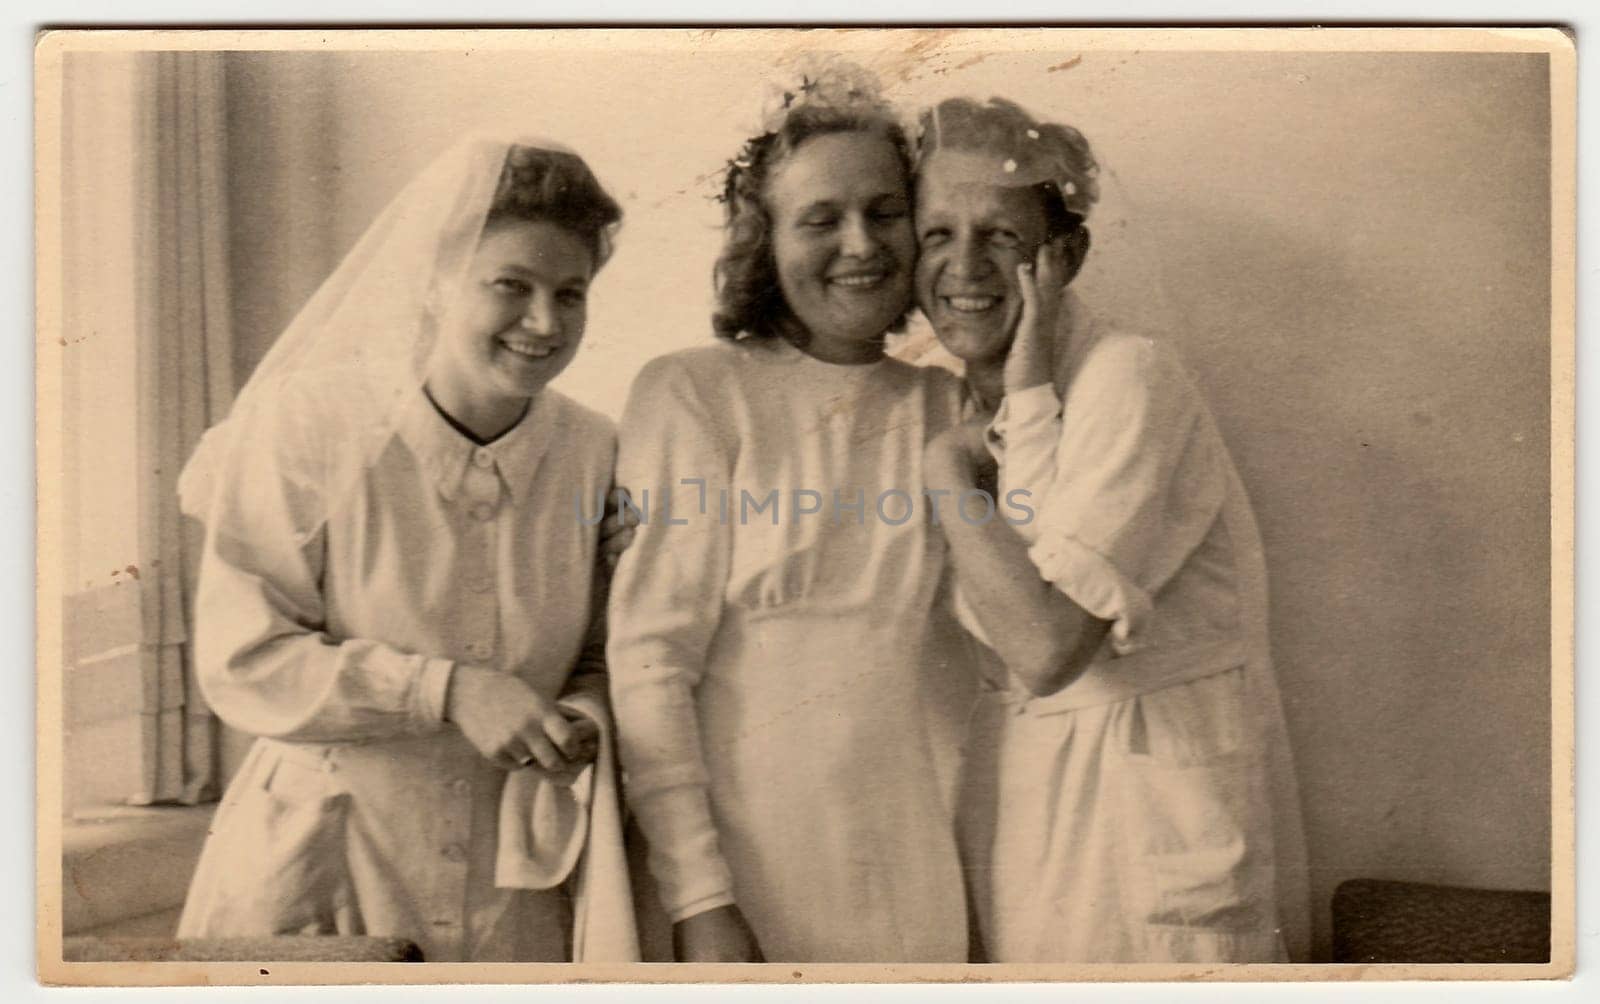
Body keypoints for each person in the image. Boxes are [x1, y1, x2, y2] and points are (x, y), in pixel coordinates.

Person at [175, 136, 632, 962]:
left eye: (571, 294)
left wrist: (578, 716)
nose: (545, 322)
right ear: (433, 281)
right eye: (510, 286)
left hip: (510, 894)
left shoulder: (596, 451)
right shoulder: (310, 424)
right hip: (325, 870)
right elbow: (242, 659)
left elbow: (601, 653)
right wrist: (448, 691)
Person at [916, 97, 1312, 963]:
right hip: (1019, 801)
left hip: (1142, 806)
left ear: (1068, 255)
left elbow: (1048, 646)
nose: (964, 266)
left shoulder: (1130, 378)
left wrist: (948, 475)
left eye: (1002, 237)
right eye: (937, 232)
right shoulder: (940, 397)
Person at [606, 67, 976, 963]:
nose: (861, 245)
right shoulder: (695, 391)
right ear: (762, 241)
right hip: (733, 855)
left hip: (905, 847)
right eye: (819, 218)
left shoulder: (951, 409)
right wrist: (699, 899)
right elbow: (651, 662)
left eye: (886, 212)